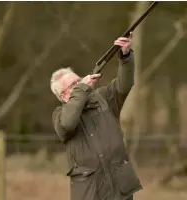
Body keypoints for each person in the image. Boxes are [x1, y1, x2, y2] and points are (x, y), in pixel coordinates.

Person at [50, 32, 142, 200]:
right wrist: (82, 89)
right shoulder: (59, 116)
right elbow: (68, 124)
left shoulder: (104, 98)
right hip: (91, 193)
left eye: (79, 80)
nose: (80, 85)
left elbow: (125, 84)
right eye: (74, 85)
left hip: (120, 188)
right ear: (63, 96)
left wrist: (126, 54)